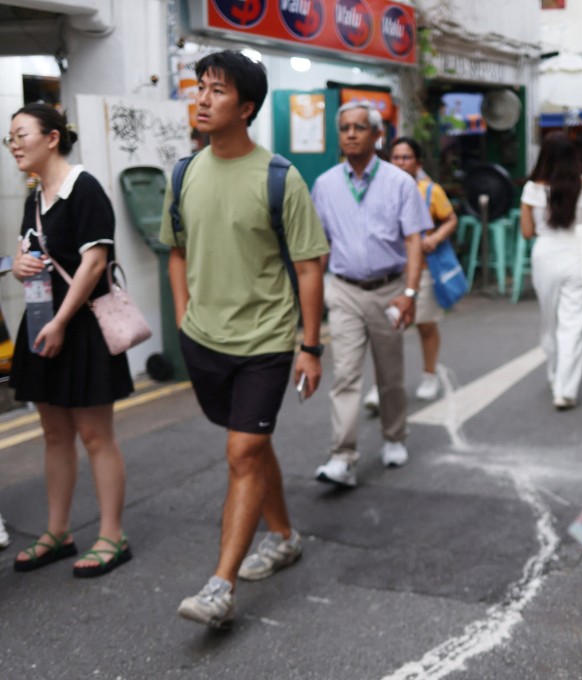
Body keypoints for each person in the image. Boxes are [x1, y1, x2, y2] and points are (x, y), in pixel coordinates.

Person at [159, 51, 330, 628]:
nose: (203, 99)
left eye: (218, 91)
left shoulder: (281, 178)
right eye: (200, 87)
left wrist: (310, 346)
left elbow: (309, 266)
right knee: (250, 446)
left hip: (265, 340)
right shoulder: (184, 173)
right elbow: (176, 251)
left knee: (242, 452)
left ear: (247, 107)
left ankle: (219, 586)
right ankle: (282, 535)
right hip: (204, 340)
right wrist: (183, 316)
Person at [6, 103, 134, 578]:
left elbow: (95, 262)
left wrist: (60, 321)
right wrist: (17, 265)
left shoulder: (85, 189)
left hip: (79, 327)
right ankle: (57, 531)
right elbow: (29, 256)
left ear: (52, 137)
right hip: (43, 322)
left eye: (22, 135)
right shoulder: (34, 197)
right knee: (54, 434)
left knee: (96, 435)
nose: (14, 145)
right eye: (10, 138)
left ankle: (112, 535)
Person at [312, 101, 429, 487]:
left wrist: (410, 293)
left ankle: (395, 436)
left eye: (359, 127)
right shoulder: (326, 184)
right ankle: (341, 457)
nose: (350, 134)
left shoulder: (399, 182)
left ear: (378, 135)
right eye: (344, 128)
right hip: (344, 290)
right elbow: (321, 246)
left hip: (389, 290)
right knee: (345, 374)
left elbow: (414, 240)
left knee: (390, 373)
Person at [363, 137, 456, 405]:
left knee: (425, 325)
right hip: (390, 272)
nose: (401, 163)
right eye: (396, 158)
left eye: (406, 158)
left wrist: (435, 238)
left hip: (423, 270)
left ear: (418, 163)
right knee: (385, 332)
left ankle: (429, 375)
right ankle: (379, 385)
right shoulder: (378, 190)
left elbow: (450, 219)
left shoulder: (429, 191)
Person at [520, 132, 582, 410]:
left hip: (545, 254)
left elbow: (527, 231)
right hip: (579, 253)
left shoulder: (532, 188)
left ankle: (555, 373)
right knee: (575, 324)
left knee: (550, 320)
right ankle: (565, 389)